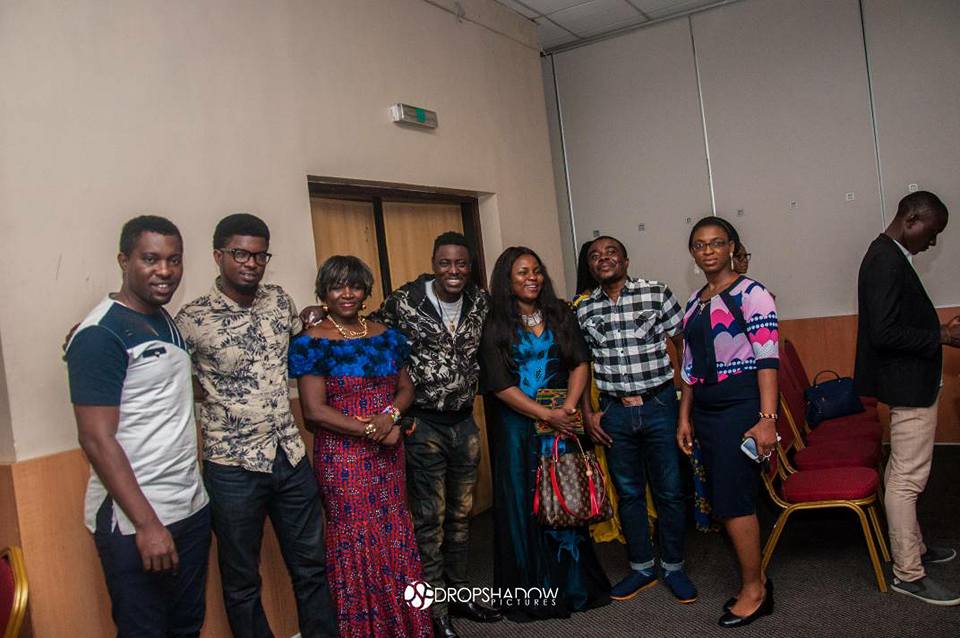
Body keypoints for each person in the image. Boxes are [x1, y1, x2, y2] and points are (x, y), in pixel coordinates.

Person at [174, 214, 337, 638]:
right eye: (240, 254)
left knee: (312, 566)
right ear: (218, 256)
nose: (251, 263)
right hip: (232, 467)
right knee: (242, 580)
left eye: (259, 255)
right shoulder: (192, 318)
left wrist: (318, 314)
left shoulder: (279, 302)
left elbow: (306, 340)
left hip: (289, 456)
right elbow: (165, 368)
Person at [64, 215, 210, 637]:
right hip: (136, 520)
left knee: (186, 626)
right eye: (150, 259)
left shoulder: (164, 320)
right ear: (124, 260)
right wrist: (147, 524)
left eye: (174, 260)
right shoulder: (99, 334)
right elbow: (95, 438)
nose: (165, 271)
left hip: (188, 507)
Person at [290, 256, 431, 638]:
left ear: (366, 291)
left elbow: (406, 389)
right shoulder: (312, 342)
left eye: (354, 286)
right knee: (356, 538)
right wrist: (373, 429)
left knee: (393, 529)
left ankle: (406, 626)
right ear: (324, 292)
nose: (347, 293)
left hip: (389, 453)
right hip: (343, 459)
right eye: (337, 286)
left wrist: (390, 417)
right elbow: (314, 411)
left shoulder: (387, 335)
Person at [370, 231, 501, 638]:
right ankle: (435, 609)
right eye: (445, 263)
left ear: (470, 266)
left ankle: (459, 593)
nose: (453, 270)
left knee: (462, 515)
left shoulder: (480, 301)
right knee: (430, 519)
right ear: (433, 263)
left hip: (464, 422)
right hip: (422, 424)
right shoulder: (404, 301)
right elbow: (368, 332)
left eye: (461, 263)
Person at [480, 246, 611, 621]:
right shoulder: (495, 324)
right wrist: (545, 415)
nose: (532, 278)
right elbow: (499, 385)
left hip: (562, 422)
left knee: (565, 494)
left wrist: (567, 409)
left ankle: (574, 586)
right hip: (518, 428)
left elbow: (580, 362)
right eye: (522, 272)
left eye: (536, 270)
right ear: (507, 280)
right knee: (525, 503)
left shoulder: (560, 313)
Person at [575, 235, 697, 603]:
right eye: (595, 256)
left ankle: (673, 567)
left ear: (626, 260)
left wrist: (685, 405)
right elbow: (581, 364)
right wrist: (588, 413)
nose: (603, 259)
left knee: (670, 491)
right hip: (613, 412)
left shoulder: (656, 292)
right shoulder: (583, 309)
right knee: (628, 493)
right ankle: (642, 567)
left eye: (611, 252)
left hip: (660, 405)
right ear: (590, 266)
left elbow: (684, 345)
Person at [854, 191, 960, 605]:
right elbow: (884, 333)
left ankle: (915, 548)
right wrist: (943, 334)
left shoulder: (890, 255)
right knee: (905, 481)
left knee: (904, 473)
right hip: (908, 385)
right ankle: (908, 573)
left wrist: (938, 331)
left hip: (912, 382)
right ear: (911, 219)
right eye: (932, 232)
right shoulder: (884, 259)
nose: (932, 242)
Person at [675, 216, 778, 627]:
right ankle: (757, 579)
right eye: (700, 245)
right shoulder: (695, 301)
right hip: (706, 411)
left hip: (740, 406)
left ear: (731, 246)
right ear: (692, 252)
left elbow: (768, 360)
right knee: (724, 499)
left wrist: (767, 419)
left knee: (735, 502)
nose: (709, 251)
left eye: (717, 242)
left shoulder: (753, 293)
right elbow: (688, 368)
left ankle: (755, 591)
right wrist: (684, 416)